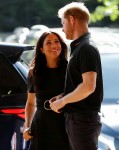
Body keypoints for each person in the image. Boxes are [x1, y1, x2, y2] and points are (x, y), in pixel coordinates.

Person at [50, 2, 103, 150]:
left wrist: (62, 102)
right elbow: (80, 84)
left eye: (63, 22)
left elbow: (88, 86)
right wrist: (63, 96)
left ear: (72, 20)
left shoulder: (87, 47)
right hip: (78, 121)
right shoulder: (80, 47)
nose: (62, 28)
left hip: (83, 121)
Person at [23, 31, 70, 150]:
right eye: (48, 42)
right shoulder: (34, 72)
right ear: (42, 49)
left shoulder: (70, 69)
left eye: (56, 41)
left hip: (64, 124)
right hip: (41, 125)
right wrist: (27, 125)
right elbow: (31, 102)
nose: (54, 45)